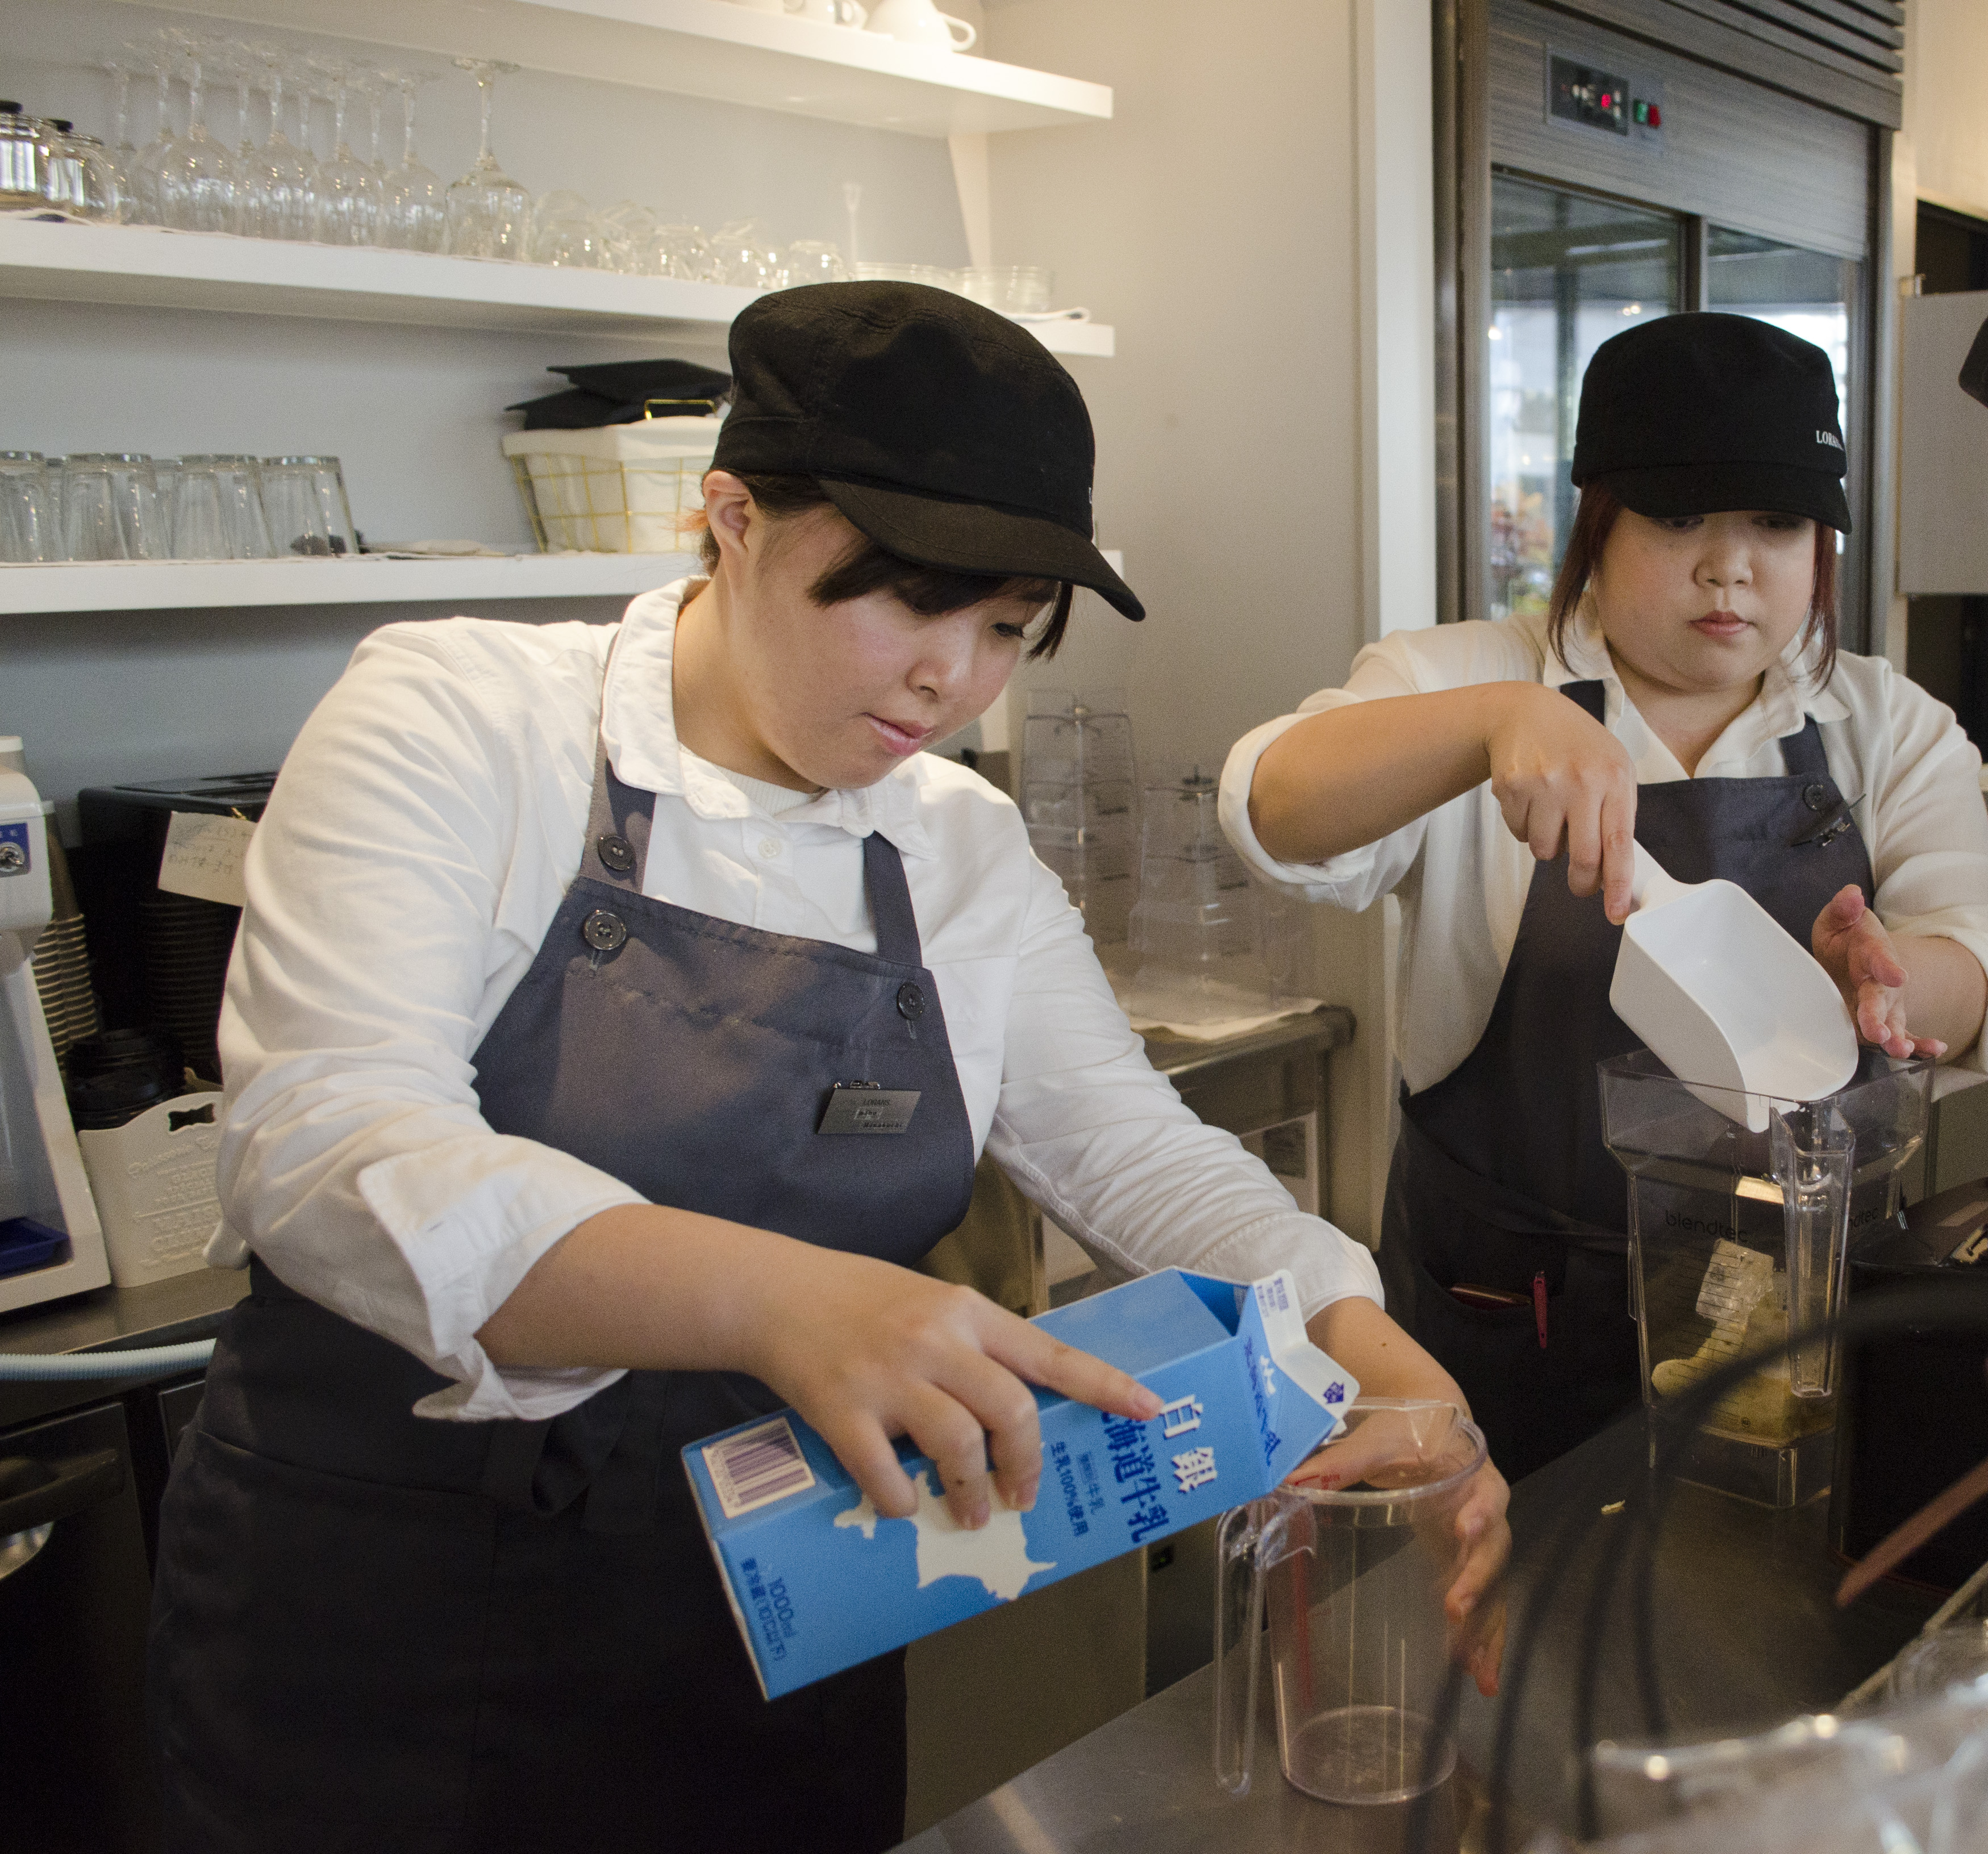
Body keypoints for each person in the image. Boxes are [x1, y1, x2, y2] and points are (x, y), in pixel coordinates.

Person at [145, 282, 1507, 1854]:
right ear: (727, 516)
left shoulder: (956, 848)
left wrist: (1373, 1349)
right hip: (386, 1620)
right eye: (909, 601)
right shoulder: (460, 721)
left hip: (787, 1613)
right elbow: (327, 1145)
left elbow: (1138, 1155)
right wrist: (789, 1301)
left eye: (1005, 628)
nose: (953, 680)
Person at [1224, 313, 1988, 1480]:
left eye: (1776, 523)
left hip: (1796, 1317)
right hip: (1508, 1319)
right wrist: (1484, 731)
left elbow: (1981, 954)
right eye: (1676, 518)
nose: (1731, 566)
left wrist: (1897, 980)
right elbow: (1268, 808)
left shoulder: (1886, 726)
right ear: (1592, 526)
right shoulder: (1456, 677)